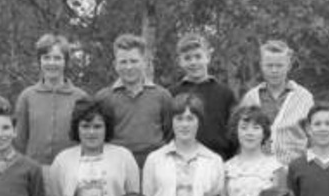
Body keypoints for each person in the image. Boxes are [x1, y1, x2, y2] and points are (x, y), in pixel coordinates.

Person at [47, 99, 140, 196]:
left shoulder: (123, 156)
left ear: (106, 128)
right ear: (77, 128)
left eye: (97, 127)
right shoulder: (62, 160)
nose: (91, 132)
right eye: (85, 126)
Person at [142, 93, 226, 196]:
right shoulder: (155, 159)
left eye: (190, 118)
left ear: (199, 122)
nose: (184, 124)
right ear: (171, 122)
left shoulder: (213, 160)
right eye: (179, 118)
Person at [95, 33, 173, 168]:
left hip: (155, 165)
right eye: (123, 62)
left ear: (144, 62)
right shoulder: (103, 98)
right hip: (116, 165)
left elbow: (170, 134)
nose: (129, 67)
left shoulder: (162, 96)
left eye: (134, 61)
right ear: (115, 65)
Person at [13, 34, 89, 166]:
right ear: (39, 61)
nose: (51, 63)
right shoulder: (27, 96)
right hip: (34, 170)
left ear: (65, 62)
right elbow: (20, 140)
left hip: (71, 170)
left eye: (57, 58)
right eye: (46, 58)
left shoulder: (80, 97)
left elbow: (87, 138)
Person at [239, 40, 314, 167]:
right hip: (257, 171)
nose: (274, 70)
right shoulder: (250, 98)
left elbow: (314, 138)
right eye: (269, 65)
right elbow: (240, 136)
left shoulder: (305, 97)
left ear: (288, 66)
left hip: (294, 170)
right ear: (261, 65)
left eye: (279, 65)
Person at [224, 105, 286, 196]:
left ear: (264, 132)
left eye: (256, 128)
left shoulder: (276, 168)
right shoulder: (227, 168)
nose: (249, 133)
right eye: (244, 128)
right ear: (236, 131)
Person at [170, 32, 237, 158]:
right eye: (187, 58)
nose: (193, 62)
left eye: (198, 56)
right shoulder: (172, 94)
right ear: (180, 62)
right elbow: (168, 131)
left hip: (219, 159)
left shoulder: (225, 94)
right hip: (180, 160)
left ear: (208, 57)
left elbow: (234, 132)